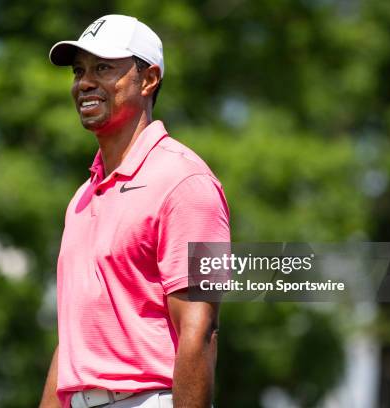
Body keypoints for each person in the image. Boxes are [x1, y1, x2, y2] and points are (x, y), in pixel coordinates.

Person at [40, 14, 230, 408]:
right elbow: (73, 343)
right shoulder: (81, 199)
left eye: (104, 68)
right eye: (79, 71)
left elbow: (200, 331)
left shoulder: (185, 182)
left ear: (148, 79)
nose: (84, 83)